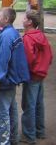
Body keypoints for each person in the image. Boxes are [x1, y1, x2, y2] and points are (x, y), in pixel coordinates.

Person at [0, 8, 30, 145]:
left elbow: (3, 59)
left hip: (4, 82)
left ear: (6, 19)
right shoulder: (13, 33)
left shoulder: (7, 35)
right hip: (12, 80)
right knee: (11, 110)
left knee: (1, 114)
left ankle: (3, 142)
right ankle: (13, 140)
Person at [20, 10, 53, 144]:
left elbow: (28, 59)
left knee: (29, 105)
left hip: (32, 75)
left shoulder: (28, 38)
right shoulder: (41, 36)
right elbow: (49, 55)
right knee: (39, 104)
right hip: (41, 74)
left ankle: (29, 135)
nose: (22, 20)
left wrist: (23, 73)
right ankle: (40, 131)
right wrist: (43, 68)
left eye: (24, 18)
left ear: (29, 22)